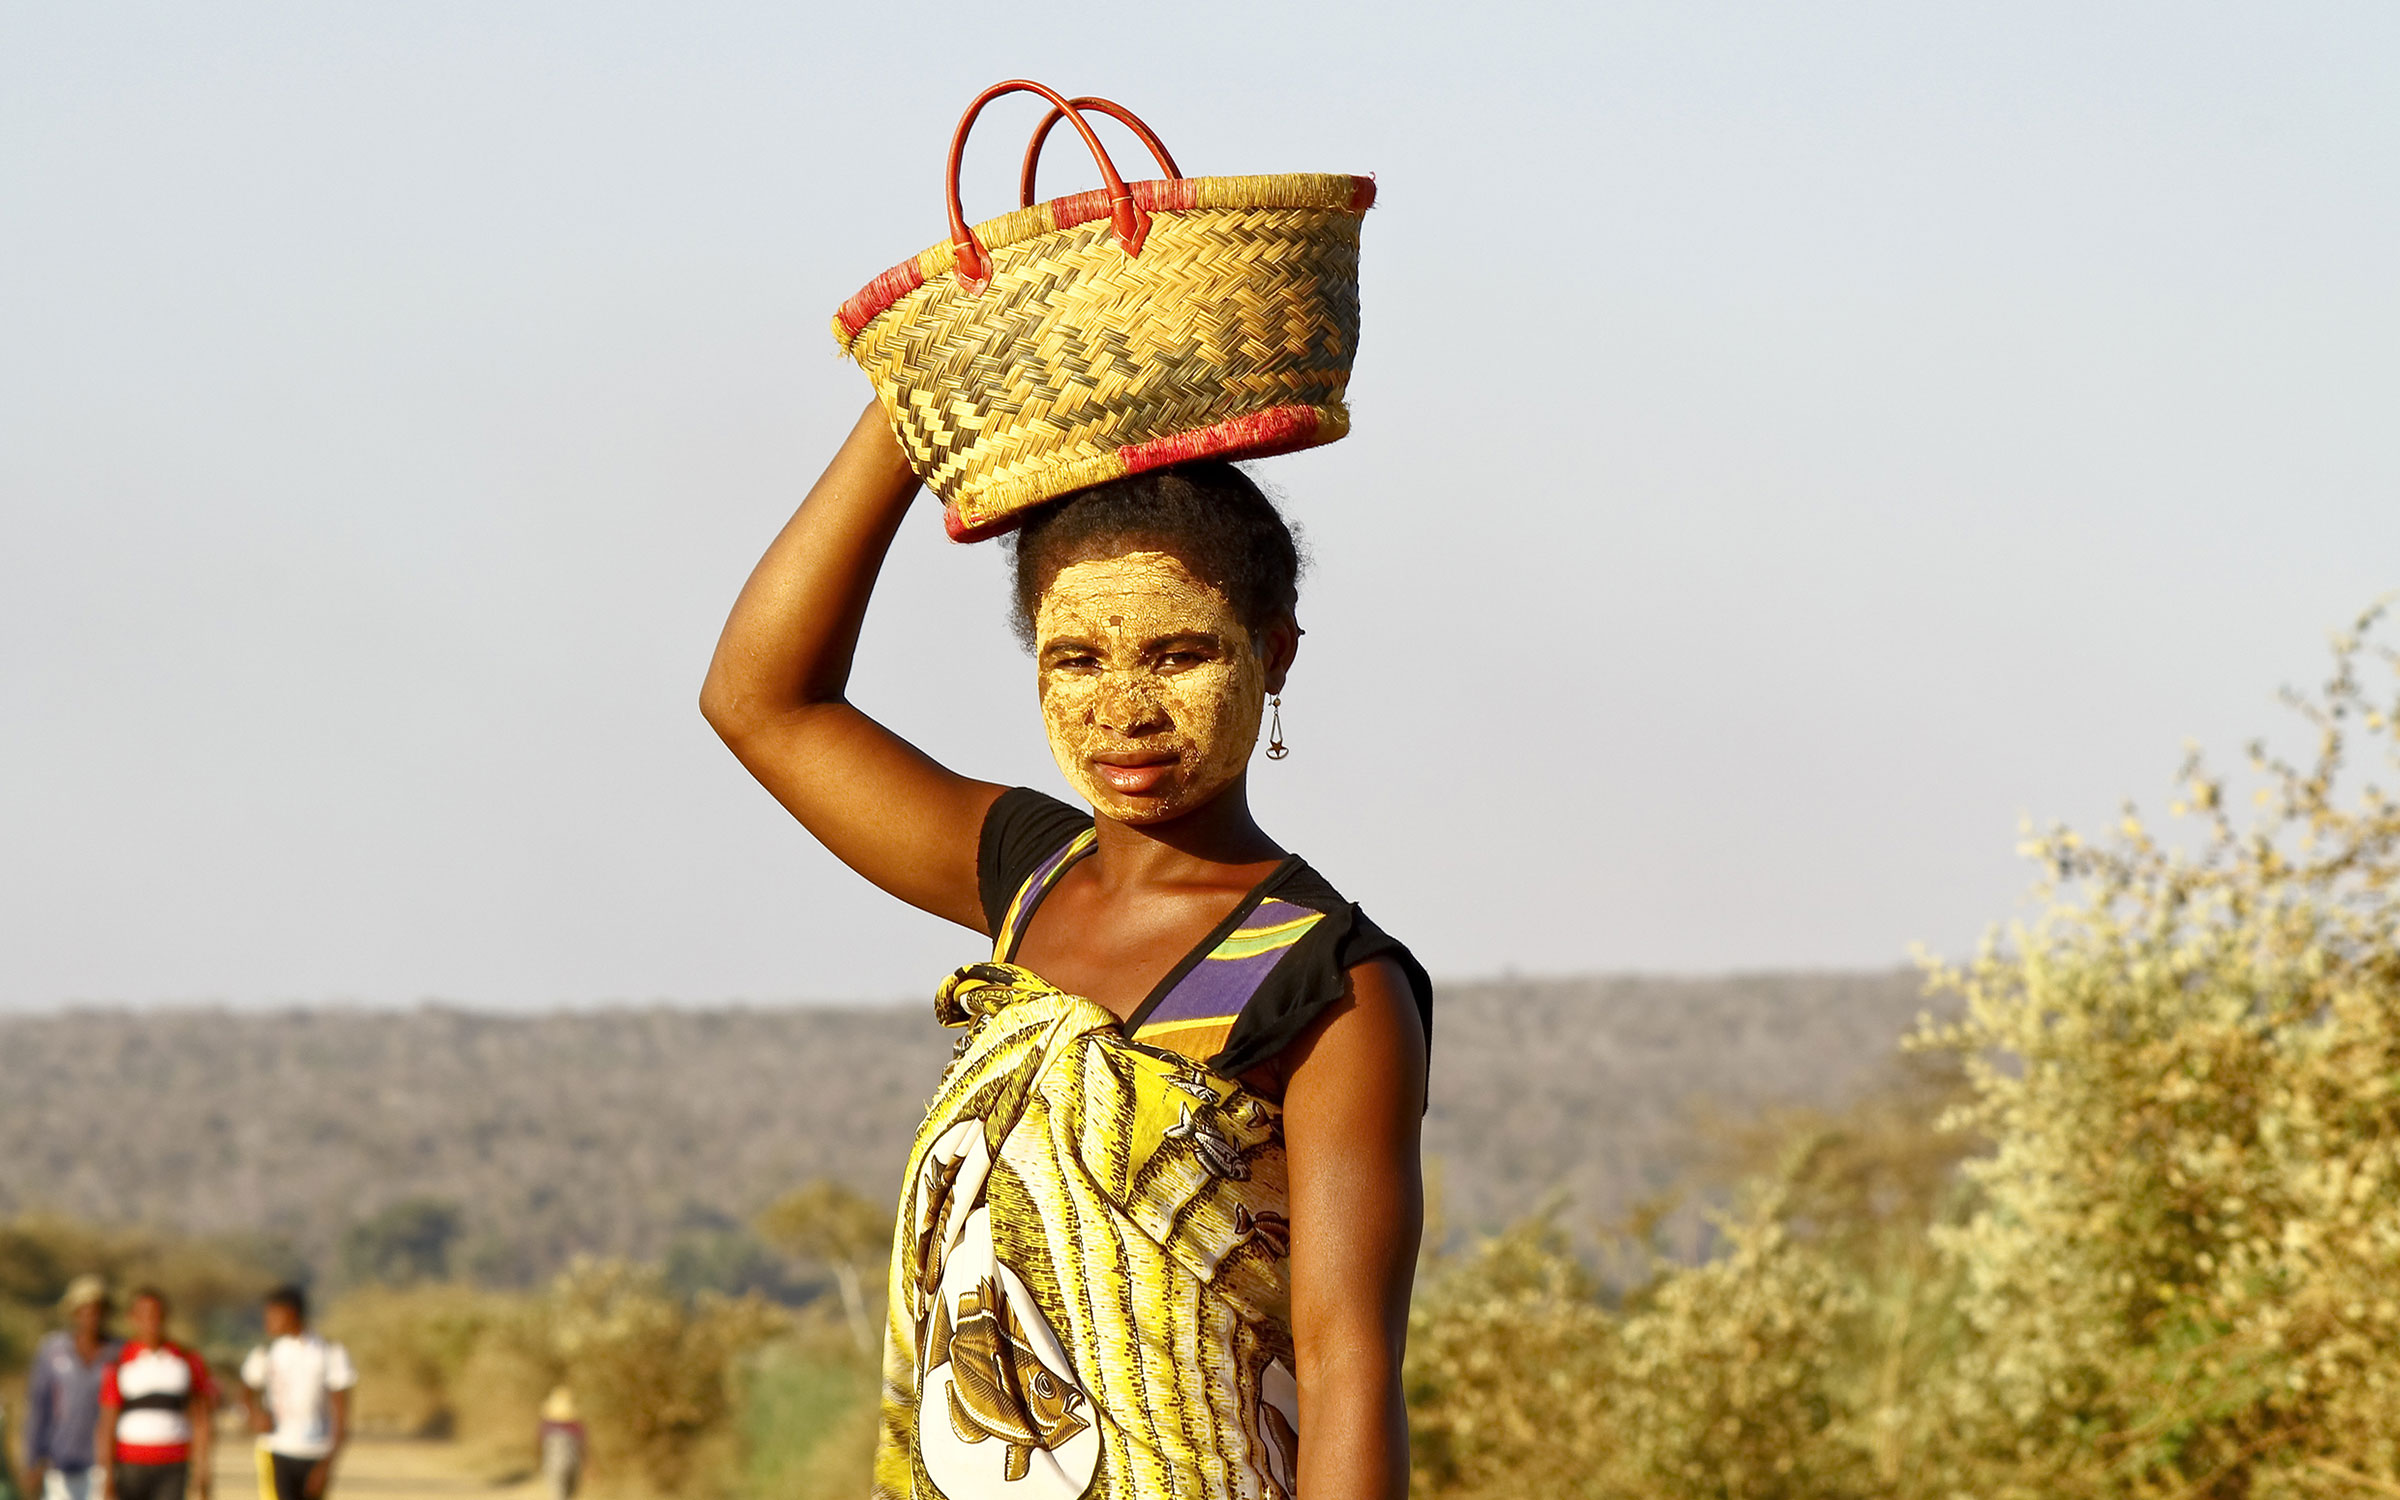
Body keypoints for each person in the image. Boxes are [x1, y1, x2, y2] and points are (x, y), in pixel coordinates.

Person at [701, 406, 1432, 1500]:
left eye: (1179, 654)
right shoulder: (1028, 880)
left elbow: (1345, 1373)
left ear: (1271, 652)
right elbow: (761, 701)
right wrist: (914, 414)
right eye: (1076, 657)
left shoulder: (1324, 982)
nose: (1123, 708)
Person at [235, 1288, 352, 1500]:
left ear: (292, 1313)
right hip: (275, 1449)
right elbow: (245, 1393)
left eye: (273, 1315)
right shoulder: (266, 1352)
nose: (267, 1322)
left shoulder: (329, 1352)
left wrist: (327, 1464)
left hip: (316, 1451)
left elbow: (341, 1415)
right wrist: (253, 1416)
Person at [96, 1288, 213, 1500]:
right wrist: (107, 1477)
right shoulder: (119, 1362)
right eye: (143, 1314)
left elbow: (201, 1418)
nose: (151, 1321)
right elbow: (107, 1423)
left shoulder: (186, 1359)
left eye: (156, 1314)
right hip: (130, 1463)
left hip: (174, 1463)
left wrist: (203, 1469)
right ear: (132, 1318)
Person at [21, 1277, 119, 1500]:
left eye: (97, 1310)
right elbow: (39, 1407)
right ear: (74, 1313)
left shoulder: (117, 1352)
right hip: (60, 1461)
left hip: (103, 1464)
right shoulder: (53, 1350)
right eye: (84, 1310)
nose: (91, 1317)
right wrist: (32, 1459)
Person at [535, 1389, 583, 1500]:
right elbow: (583, 1447)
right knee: (570, 1495)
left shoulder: (546, 1426)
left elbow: (539, 1445)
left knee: (559, 1495)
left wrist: (538, 1462)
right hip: (573, 1464)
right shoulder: (577, 1426)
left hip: (553, 1465)